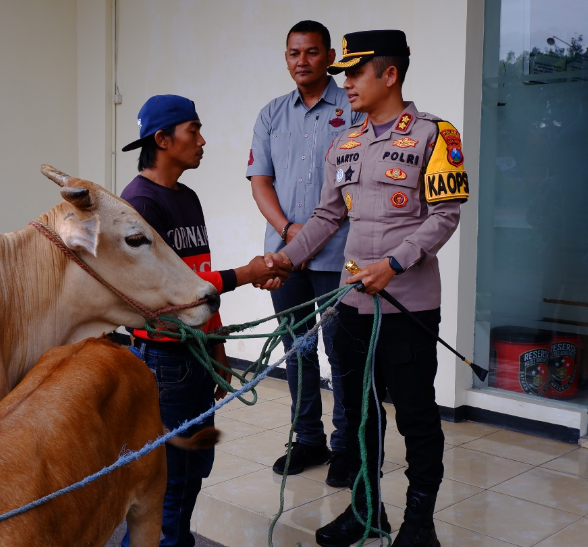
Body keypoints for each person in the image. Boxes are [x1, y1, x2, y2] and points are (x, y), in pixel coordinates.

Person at [265, 30, 468, 547]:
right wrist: (284, 260)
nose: (346, 82)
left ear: (390, 74)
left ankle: (419, 526)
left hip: (408, 305)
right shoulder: (346, 142)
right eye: (346, 74)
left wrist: (394, 264)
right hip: (353, 304)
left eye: (355, 72)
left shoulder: (434, 135)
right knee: (358, 413)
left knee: (416, 416)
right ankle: (366, 510)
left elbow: (446, 214)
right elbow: (327, 216)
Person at [118, 94, 286, 547]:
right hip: (165, 361)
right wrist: (247, 275)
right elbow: (167, 294)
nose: (202, 140)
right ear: (162, 139)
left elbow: (198, 287)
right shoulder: (138, 206)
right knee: (169, 481)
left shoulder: (187, 198)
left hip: (196, 357)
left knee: (194, 471)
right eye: (193, 131)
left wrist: (218, 349)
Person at [246, 20, 362, 485]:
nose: (301, 61)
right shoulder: (271, 114)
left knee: (341, 350)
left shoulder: (353, 109)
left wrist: (308, 235)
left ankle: (347, 447)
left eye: (311, 52)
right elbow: (261, 182)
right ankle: (307, 439)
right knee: (297, 349)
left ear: (329, 56)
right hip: (284, 255)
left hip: (339, 253)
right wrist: (289, 231)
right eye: (294, 53)